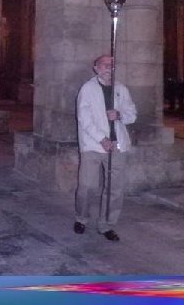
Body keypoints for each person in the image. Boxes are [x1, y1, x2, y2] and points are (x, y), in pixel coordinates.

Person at [74, 54, 136, 241]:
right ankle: (82, 218)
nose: (109, 68)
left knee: (115, 188)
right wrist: (101, 139)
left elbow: (132, 114)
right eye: (105, 65)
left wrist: (119, 115)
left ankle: (107, 224)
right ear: (96, 68)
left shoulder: (121, 89)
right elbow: (84, 118)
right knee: (87, 186)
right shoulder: (87, 89)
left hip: (117, 145)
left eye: (112, 65)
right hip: (93, 145)